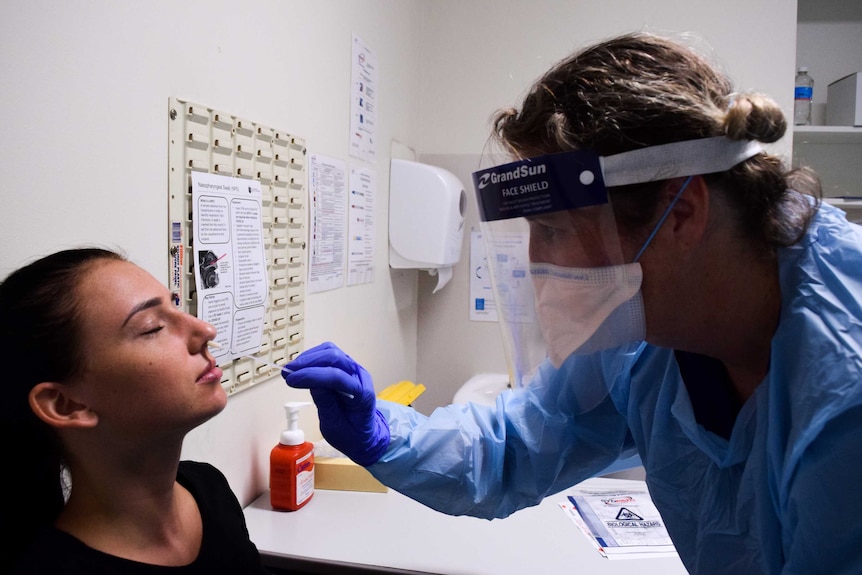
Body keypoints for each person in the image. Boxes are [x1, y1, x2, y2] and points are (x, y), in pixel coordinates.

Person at [282, 32, 862, 575]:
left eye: (553, 228)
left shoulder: (845, 391)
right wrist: (386, 434)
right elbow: (528, 437)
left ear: (681, 214)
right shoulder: (649, 333)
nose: (537, 261)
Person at [1, 248, 270, 574]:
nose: (205, 330)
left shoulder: (208, 489)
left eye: (176, 306)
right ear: (66, 404)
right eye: (153, 327)